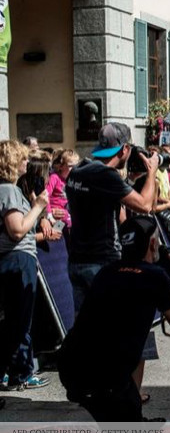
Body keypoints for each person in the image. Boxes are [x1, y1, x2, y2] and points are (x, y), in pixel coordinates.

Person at [58, 217, 170, 421]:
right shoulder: (155, 276)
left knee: (128, 404)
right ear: (153, 244)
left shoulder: (106, 272)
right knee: (123, 408)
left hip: (72, 366)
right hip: (107, 379)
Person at [66, 123, 160, 314]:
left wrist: (129, 182)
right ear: (124, 149)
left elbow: (113, 211)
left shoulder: (78, 170)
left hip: (77, 260)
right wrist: (151, 171)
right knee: (111, 323)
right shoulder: (106, 175)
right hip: (102, 261)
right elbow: (144, 205)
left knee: (84, 324)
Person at [0, 141, 52, 390]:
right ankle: (20, 373)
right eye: (22, 159)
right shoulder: (9, 190)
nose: (26, 163)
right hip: (17, 259)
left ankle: (13, 372)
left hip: (14, 259)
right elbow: (17, 230)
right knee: (19, 321)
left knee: (13, 320)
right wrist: (38, 206)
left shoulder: (10, 190)